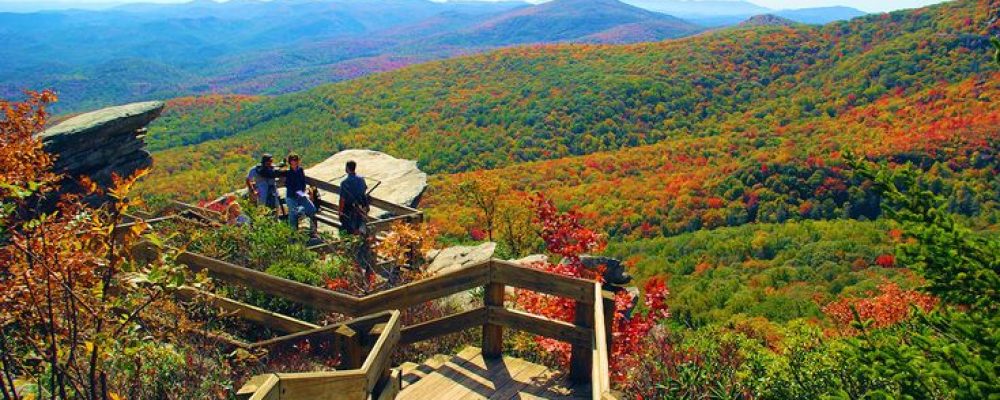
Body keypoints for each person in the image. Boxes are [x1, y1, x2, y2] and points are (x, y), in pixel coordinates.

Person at [284, 153, 318, 236]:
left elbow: (303, 182)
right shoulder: (288, 172)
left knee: (312, 209)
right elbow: (288, 185)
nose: (295, 162)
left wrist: (303, 192)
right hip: (291, 196)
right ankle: (293, 235)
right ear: (290, 162)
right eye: (293, 161)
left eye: (296, 160)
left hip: (301, 195)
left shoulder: (300, 170)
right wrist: (297, 193)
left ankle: (313, 232)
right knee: (293, 215)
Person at [338, 160, 369, 235]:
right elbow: (364, 190)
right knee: (359, 227)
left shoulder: (345, 182)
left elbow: (342, 199)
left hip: (349, 210)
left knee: (348, 229)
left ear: (347, 168)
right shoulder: (361, 179)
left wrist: (340, 212)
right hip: (361, 208)